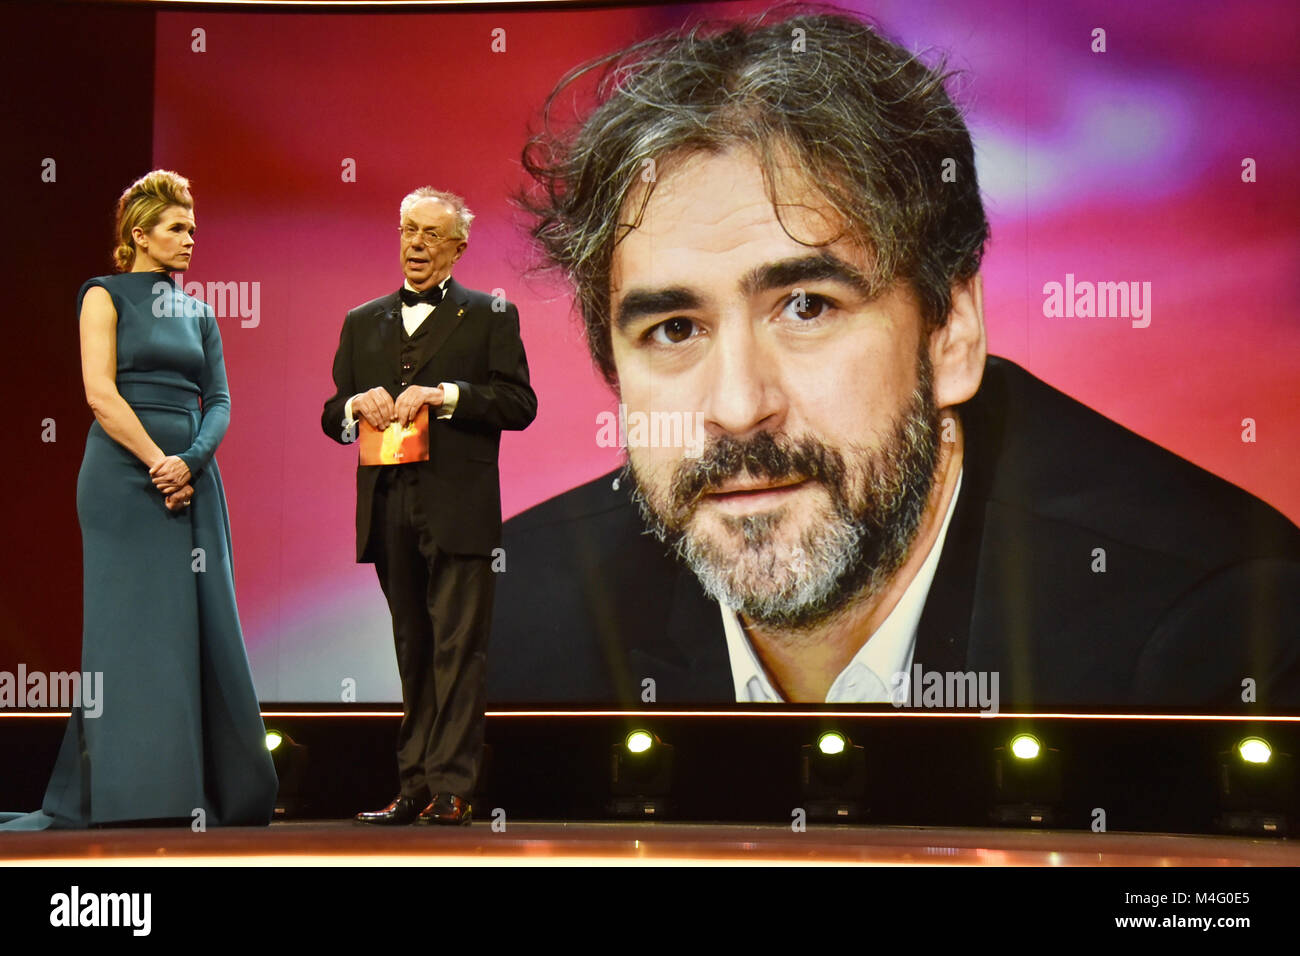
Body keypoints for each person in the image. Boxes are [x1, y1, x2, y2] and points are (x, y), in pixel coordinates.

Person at [487, 11, 1300, 710]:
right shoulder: (521, 611)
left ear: (951, 332)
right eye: (673, 328)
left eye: (807, 306)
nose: (738, 406)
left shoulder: (1214, 630)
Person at [1, 170, 277, 830]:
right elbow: (100, 394)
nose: (190, 240)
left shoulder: (200, 311)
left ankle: (202, 787)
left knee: (195, 628)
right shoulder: (103, 296)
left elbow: (221, 401)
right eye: (178, 228)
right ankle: (133, 792)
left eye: (193, 229)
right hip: (123, 482)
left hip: (193, 483)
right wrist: (158, 463)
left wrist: (191, 462)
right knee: (128, 636)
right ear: (139, 234)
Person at [322, 188, 536, 825]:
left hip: (458, 505)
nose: (414, 244)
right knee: (412, 646)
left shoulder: (490, 314)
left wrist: (443, 395)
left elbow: (518, 404)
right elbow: (332, 414)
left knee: (457, 648)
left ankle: (453, 786)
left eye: (430, 235)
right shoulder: (363, 320)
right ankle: (412, 785)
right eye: (406, 230)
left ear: (458, 248)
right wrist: (356, 407)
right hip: (389, 502)